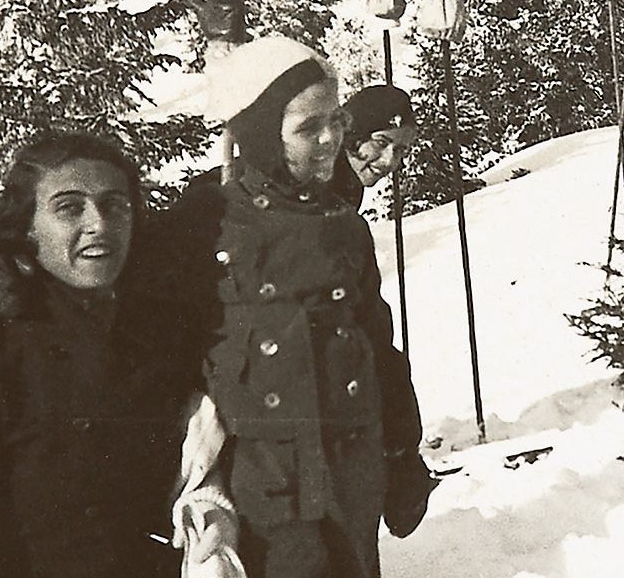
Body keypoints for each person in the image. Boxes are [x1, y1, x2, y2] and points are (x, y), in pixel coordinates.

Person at [135, 35, 431, 578]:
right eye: (307, 127)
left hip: (350, 479)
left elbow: (378, 350)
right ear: (260, 134)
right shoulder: (203, 225)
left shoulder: (346, 228)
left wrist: (402, 454)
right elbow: (159, 360)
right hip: (264, 495)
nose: (330, 139)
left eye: (336, 121)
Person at [0, 132, 200, 578]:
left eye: (115, 205)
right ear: (27, 230)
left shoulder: (167, 346)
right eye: (70, 207)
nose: (99, 224)